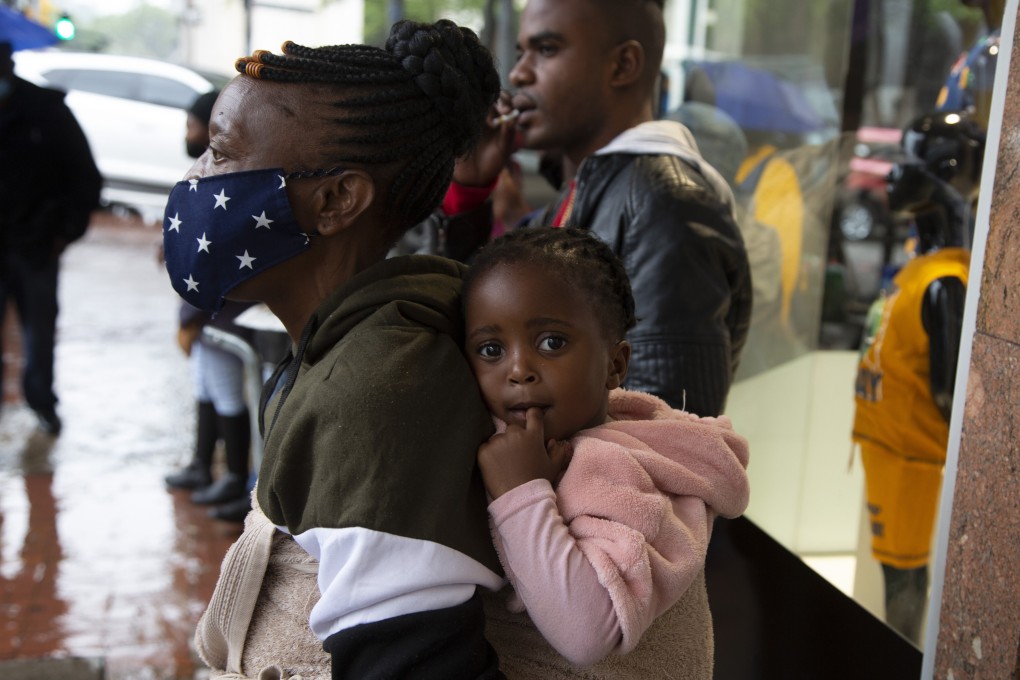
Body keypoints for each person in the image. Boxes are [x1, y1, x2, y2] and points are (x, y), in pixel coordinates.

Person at [163, 20, 506, 679]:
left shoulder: (381, 390)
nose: (197, 179)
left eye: (222, 154)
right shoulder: (339, 349)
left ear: (336, 198)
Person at [432, 0, 752, 418]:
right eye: (522, 51)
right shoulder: (584, 191)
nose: (519, 73)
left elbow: (667, 437)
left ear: (623, 65)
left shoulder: (665, 201)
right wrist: (469, 193)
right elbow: (459, 331)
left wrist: (524, 483)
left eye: (546, 49)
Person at [462, 227, 751, 676]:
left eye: (551, 342)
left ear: (614, 365)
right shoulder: (504, 437)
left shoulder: (626, 468)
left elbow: (587, 634)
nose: (518, 370)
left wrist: (520, 492)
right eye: (491, 349)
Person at [851, 109, 982, 644]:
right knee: (893, 573)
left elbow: (953, 397)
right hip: (888, 451)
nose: (897, 175)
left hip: (915, 465)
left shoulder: (946, 281)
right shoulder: (919, 271)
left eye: (914, 160)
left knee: (906, 581)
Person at [164, 89, 258, 523]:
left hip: (224, 311)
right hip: (210, 312)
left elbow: (213, 252)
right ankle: (205, 464)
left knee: (224, 388)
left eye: (192, 124)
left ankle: (237, 476)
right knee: (205, 384)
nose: (190, 134)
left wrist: (192, 315)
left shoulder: (232, 180)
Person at [0, 40, 102, 435]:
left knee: (38, 330)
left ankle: (42, 402)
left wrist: (63, 233)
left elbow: (85, 178)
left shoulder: (47, 111)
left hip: (36, 245)